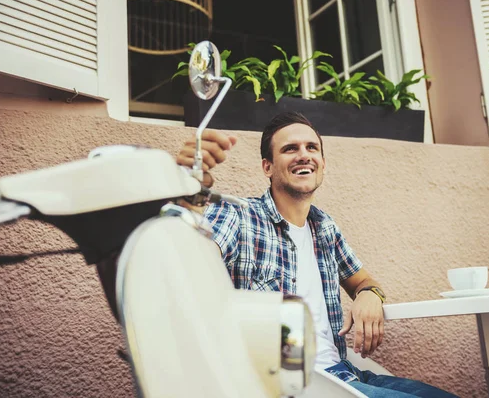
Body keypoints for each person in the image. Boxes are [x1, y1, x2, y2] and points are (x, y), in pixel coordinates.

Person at [176, 112, 457, 398]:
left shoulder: (324, 228)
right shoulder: (238, 215)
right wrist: (186, 200)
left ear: (322, 163)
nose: (304, 155)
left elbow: (364, 281)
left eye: (312, 148)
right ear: (268, 167)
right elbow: (190, 259)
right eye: (290, 149)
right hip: (291, 385)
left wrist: (369, 295)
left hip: (344, 373)